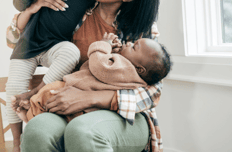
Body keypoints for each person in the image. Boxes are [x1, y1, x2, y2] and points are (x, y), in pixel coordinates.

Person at [8, 0, 164, 152]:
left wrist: (91, 99)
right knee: (36, 132)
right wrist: (34, 7)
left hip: (125, 118)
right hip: (68, 109)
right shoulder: (76, 9)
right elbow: (14, 39)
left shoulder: (141, 30)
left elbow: (154, 92)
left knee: (83, 132)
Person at [5, 0, 115, 152]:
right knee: (13, 88)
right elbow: (17, 1)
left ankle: (35, 94)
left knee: (71, 53)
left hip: (55, 47)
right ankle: (16, 142)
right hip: (27, 45)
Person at [15, 33, 171, 123]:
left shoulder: (125, 68)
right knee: (50, 101)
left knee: (49, 92)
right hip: (88, 106)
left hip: (78, 91)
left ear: (139, 68)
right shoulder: (131, 75)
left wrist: (103, 46)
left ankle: (29, 114)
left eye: (134, 46)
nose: (129, 42)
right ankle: (31, 112)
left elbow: (99, 66)